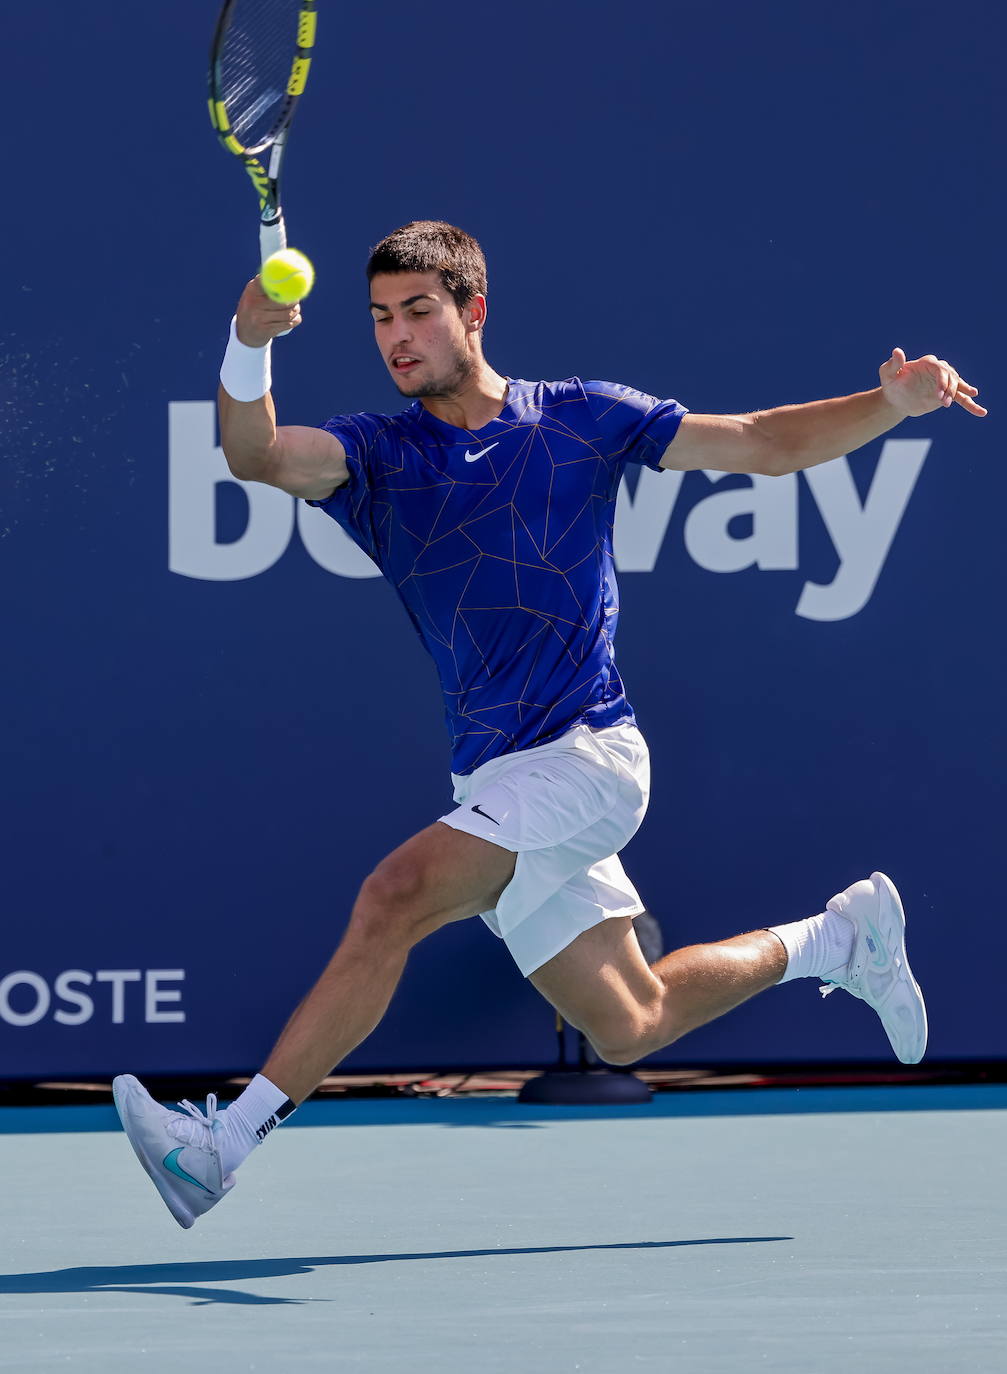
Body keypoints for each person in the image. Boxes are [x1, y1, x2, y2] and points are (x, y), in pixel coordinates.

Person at [113, 221, 986, 1228]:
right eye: (379, 320)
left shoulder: (581, 420)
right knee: (628, 1022)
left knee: (393, 896)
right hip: (495, 780)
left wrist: (887, 401)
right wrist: (247, 339)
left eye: (419, 314)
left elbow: (761, 442)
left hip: (589, 758)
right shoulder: (376, 455)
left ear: (472, 312)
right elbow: (254, 453)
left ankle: (220, 1148)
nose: (396, 338)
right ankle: (838, 940)